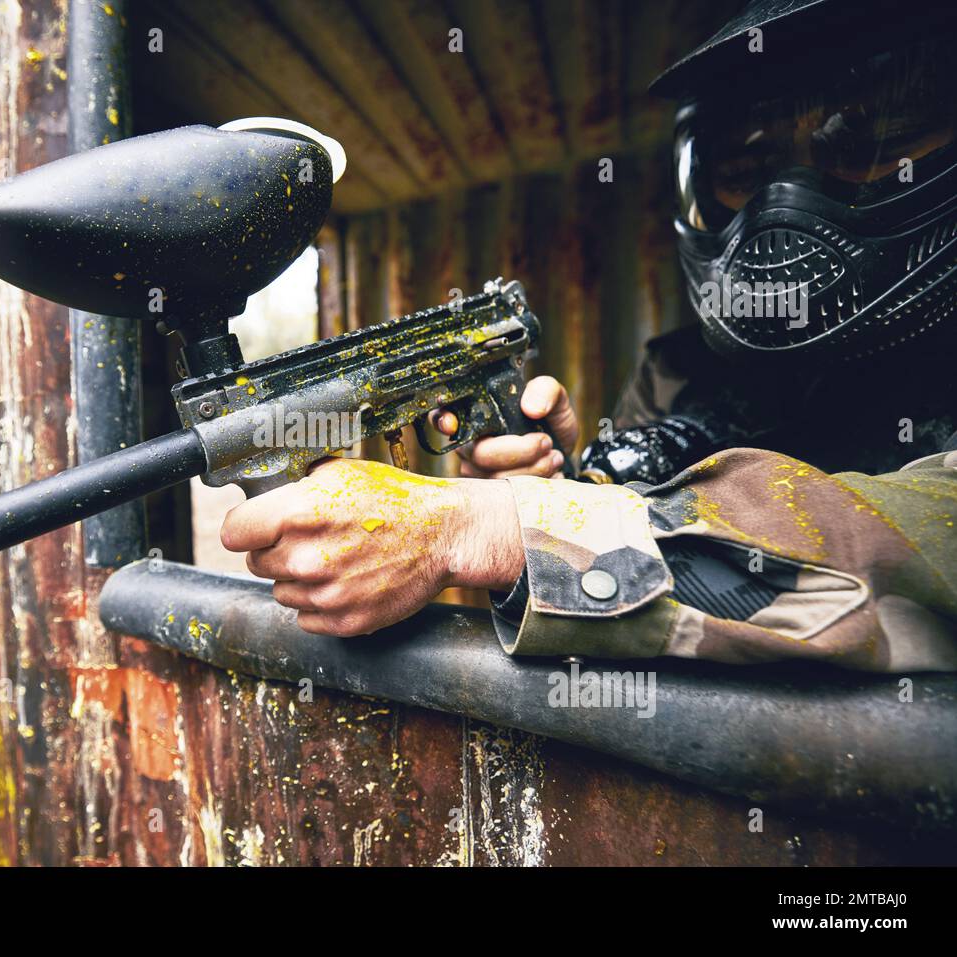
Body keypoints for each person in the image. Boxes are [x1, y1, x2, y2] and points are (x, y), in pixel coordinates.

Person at [219, 0, 957, 672]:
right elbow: (641, 590)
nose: (786, 201)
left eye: (872, 141)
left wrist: (492, 529)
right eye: (745, 166)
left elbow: (916, 540)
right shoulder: (678, 375)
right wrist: (564, 488)